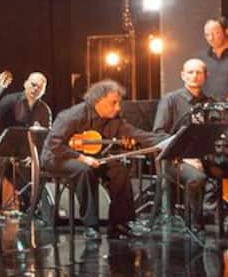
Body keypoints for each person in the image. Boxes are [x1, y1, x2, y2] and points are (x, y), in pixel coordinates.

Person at [153, 58, 228, 238]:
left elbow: (224, 133)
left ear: (206, 76)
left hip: (209, 160)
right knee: (197, 177)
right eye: (190, 72)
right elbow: (158, 134)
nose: (194, 76)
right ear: (183, 75)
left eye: (199, 72)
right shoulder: (170, 100)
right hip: (176, 161)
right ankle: (196, 223)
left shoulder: (213, 103)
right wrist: (185, 155)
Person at [41, 79, 163, 239]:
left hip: (91, 158)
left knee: (120, 171)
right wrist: (81, 158)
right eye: (113, 103)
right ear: (98, 100)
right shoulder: (72, 116)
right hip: (57, 158)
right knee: (84, 170)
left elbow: (138, 134)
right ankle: (91, 226)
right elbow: (54, 145)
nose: (118, 107)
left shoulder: (114, 120)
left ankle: (120, 224)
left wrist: (169, 140)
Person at [0, 72, 51, 216]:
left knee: (39, 165)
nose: (35, 89)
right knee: (1, 159)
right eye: (33, 85)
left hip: (25, 151)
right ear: (25, 83)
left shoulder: (44, 110)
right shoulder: (9, 100)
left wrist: (34, 156)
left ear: (44, 90)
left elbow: (45, 138)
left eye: (40, 87)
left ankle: (33, 206)